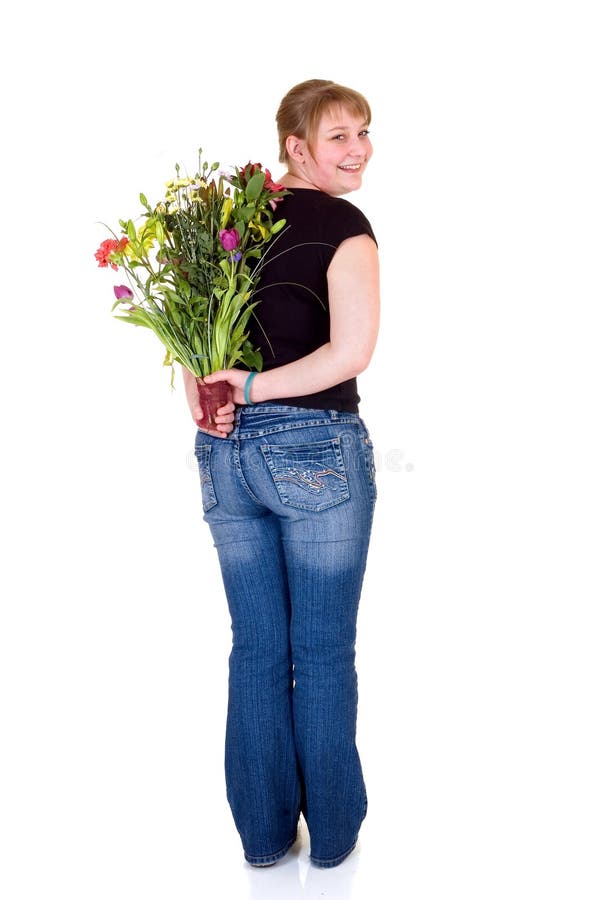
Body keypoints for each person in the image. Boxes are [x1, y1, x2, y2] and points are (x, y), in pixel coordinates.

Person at [182, 79, 380, 869]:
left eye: (364, 132)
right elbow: (350, 352)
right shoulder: (345, 226)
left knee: (258, 648)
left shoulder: (219, 227)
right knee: (322, 651)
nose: (358, 149)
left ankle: (263, 838)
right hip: (315, 453)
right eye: (337, 136)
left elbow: (199, 357)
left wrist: (218, 399)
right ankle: (332, 840)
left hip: (227, 458)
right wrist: (256, 386)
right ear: (294, 147)